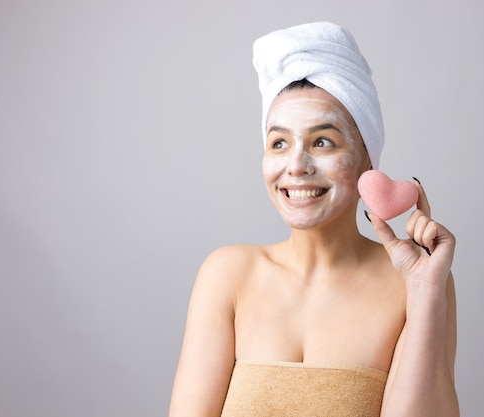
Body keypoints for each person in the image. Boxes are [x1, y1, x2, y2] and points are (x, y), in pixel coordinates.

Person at [169, 21, 458, 417]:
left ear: (367, 160)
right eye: (279, 143)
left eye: (323, 141)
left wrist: (426, 295)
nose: (296, 165)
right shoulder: (227, 275)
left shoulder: (413, 280)